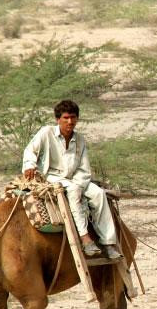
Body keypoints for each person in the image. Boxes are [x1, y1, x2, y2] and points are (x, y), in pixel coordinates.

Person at [22, 99, 122, 259]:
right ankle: (85, 239)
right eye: (66, 118)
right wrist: (29, 165)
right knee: (74, 191)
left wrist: (80, 184)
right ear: (58, 119)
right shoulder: (46, 132)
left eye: (73, 118)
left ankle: (109, 243)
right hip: (52, 176)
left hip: (77, 178)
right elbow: (30, 150)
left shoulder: (80, 139)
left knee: (98, 194)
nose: (70, 122)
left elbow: (84, 168)